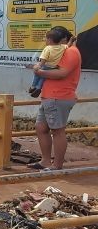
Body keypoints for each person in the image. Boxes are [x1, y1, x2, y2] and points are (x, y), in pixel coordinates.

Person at [29, 28, 81, 171]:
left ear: (64, 40)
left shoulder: (71, 52)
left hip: (59, 96)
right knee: (41, 128)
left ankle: (57, 165)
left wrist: (39, 72)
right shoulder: (65, 50)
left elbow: (62, 73)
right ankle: (46, 161)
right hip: (50, 96)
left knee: (57, 131)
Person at [28, 28, 68, 98]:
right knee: (43, 77)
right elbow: (69, 45)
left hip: (46, 66)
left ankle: (33, 86)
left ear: (49, 40)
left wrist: (38, 66)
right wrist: (71, 41)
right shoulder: (62, 47)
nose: (44, 40)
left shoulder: (48, 48)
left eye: (45, 38)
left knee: (37, 74)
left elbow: (43, 60)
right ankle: (39, 88)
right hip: (54, 67)